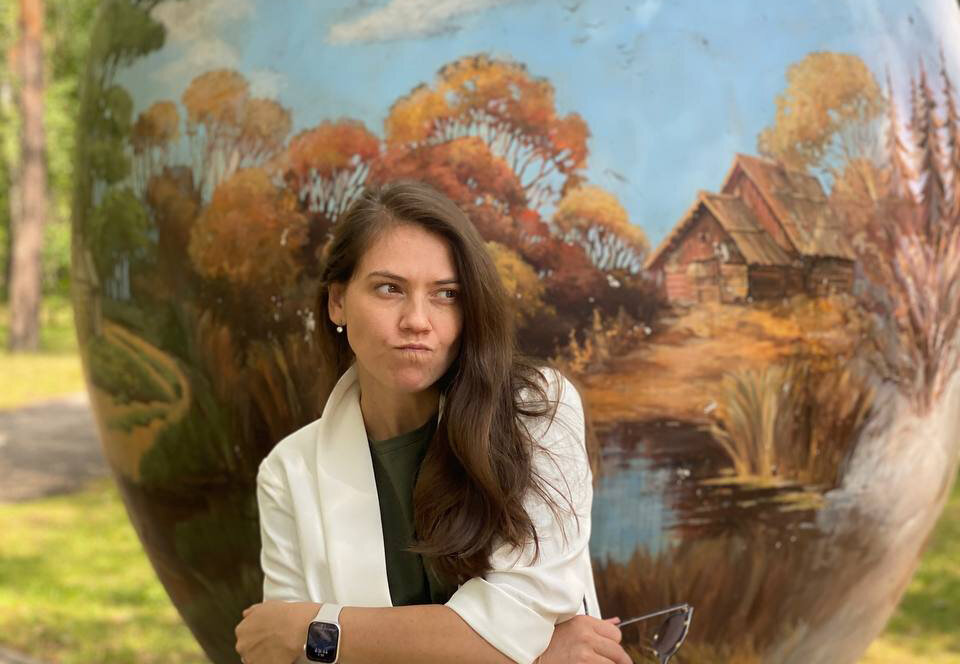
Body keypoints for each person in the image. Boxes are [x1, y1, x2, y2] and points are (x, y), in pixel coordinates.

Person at [234, 180, 631, 664]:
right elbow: (278, 653)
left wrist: (316, 631)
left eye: (445, 294)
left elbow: (517, 619)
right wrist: (535, 655)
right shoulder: (289, 471)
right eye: (389, 288)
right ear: (337, 301)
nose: (417, 320)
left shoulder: (537, 410)